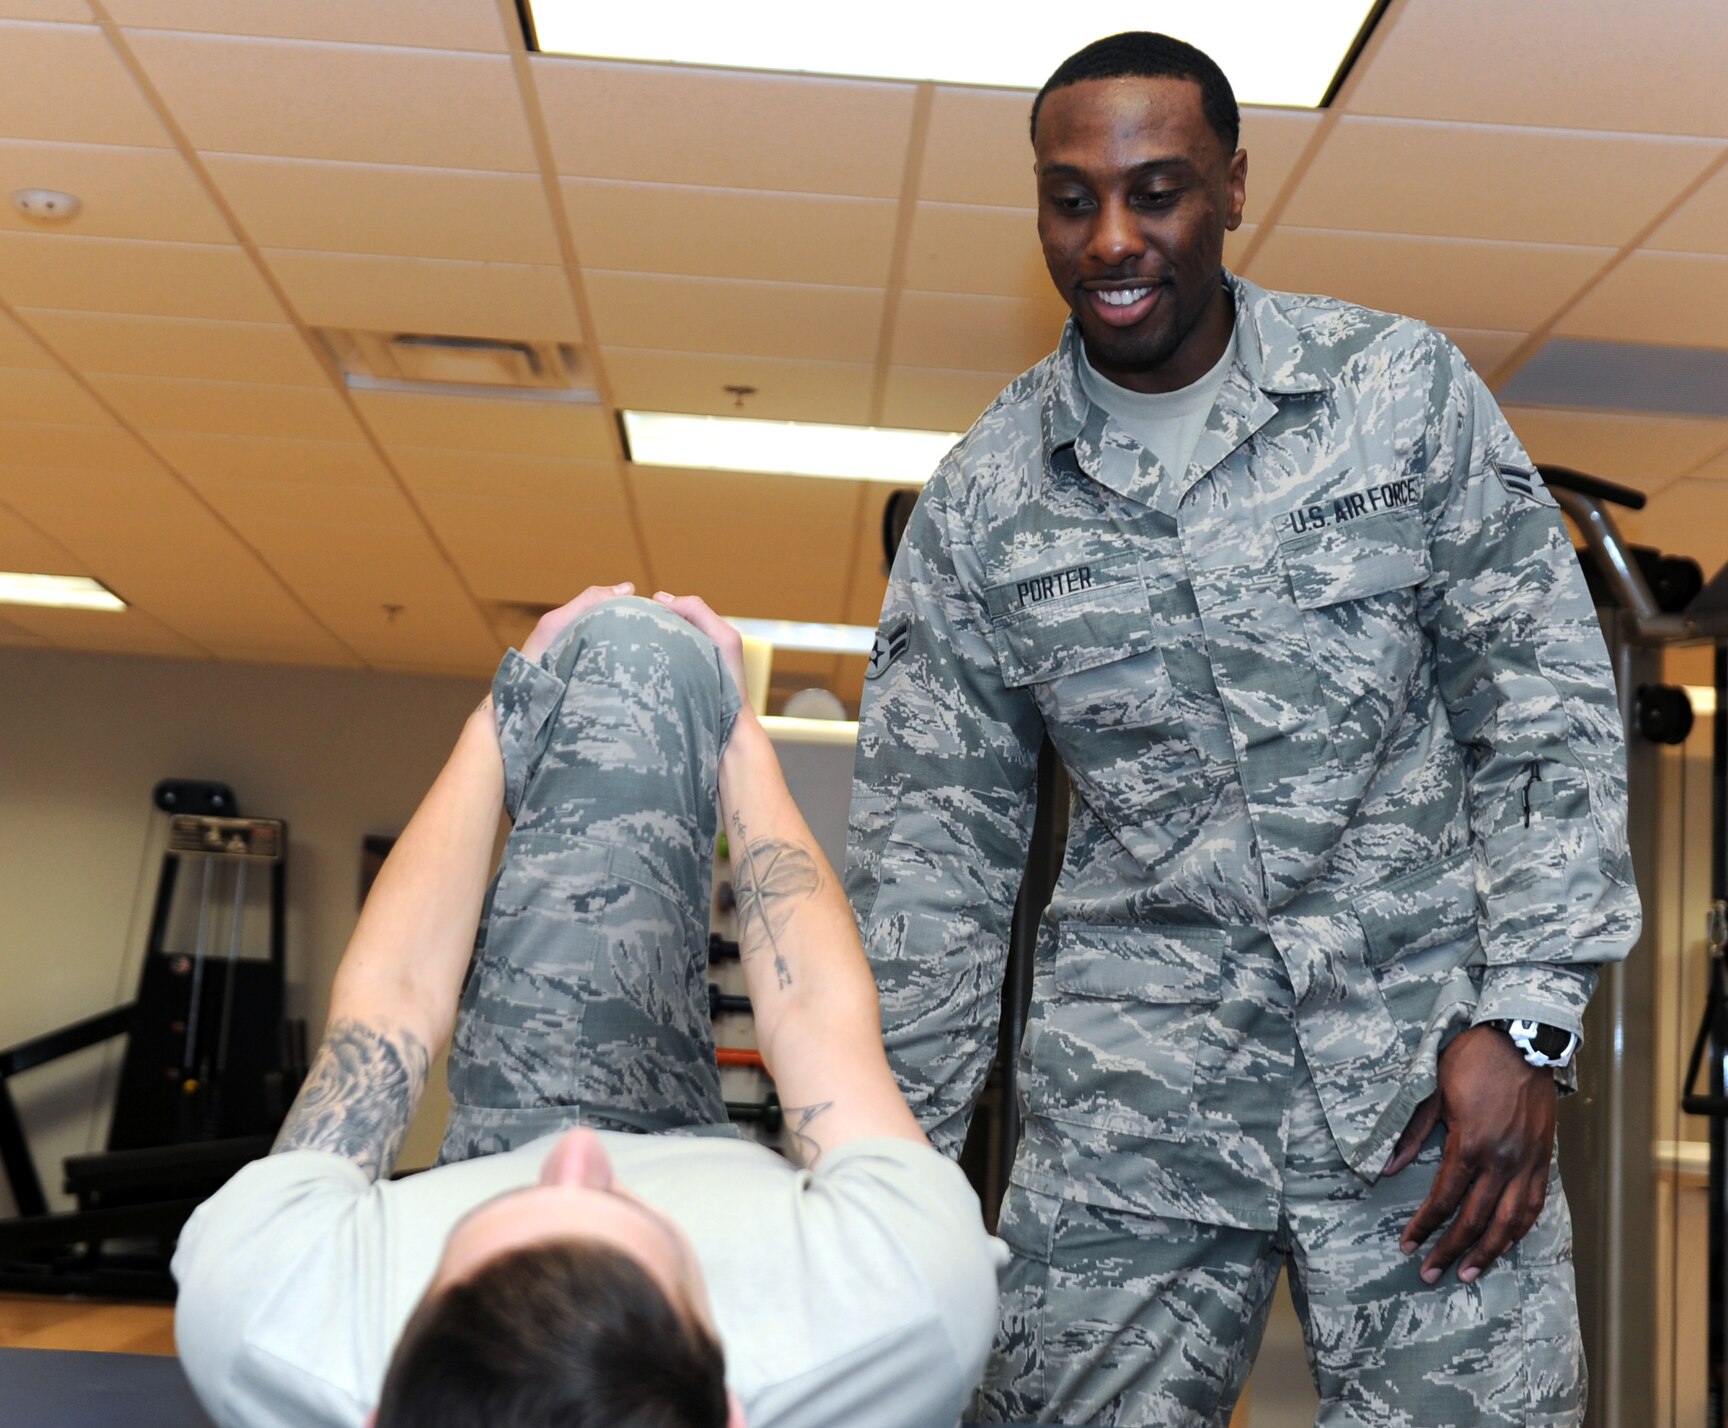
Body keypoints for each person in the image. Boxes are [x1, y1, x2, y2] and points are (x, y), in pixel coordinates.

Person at [846, 31, 1641, 1428]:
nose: (1110, 238)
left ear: (1231, 188)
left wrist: (1529, 1024)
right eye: (1069, 197)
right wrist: (883, 1173)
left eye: (1156, 190)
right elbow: (931, 869)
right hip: (1131, 1118)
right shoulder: (984, 501)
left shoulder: (1397, 394)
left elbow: (1546, 709)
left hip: (1431, 1096)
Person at [173, 585, 1001, 1428]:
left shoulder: (273, 1313)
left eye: (520, 1237)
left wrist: (501, 720)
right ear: (736, 1408)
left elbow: (395, 1005)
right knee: (662, 653)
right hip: (726, 1169)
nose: (575, 1160)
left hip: (511, 1111)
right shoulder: (898, 1306)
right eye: (612, 1214)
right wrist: (736, 733)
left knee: (621, 644)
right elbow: (814, 1014)